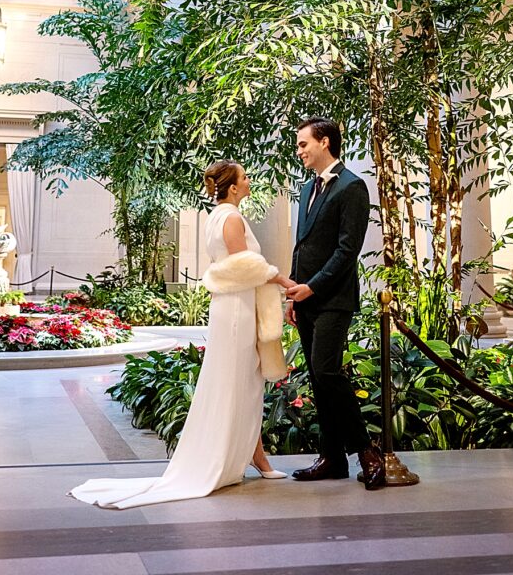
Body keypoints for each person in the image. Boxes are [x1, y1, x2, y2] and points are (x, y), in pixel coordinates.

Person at [70, 159, 293, 510]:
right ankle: (249, 457)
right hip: (237, 309)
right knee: (238, 382)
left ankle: (255, 455)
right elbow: (243, 266)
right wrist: (283, 280)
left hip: (234, 305)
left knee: (242, 383)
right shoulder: (231, 217)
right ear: (233, 187)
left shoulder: (216, 215)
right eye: (245, 178)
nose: (249, 182)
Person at [286, 117, 386, 490]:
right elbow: (303, 246)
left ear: (324, 142)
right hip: (306, 298)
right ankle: (332, 458)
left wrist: (312, 287)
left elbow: (347, 250)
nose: (299, 151)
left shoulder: (352, 186)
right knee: (316, 376)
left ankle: (366, 451)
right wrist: (295, 294)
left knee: (327, 370)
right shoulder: (306, 187)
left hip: (333, 298)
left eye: (302, 144)